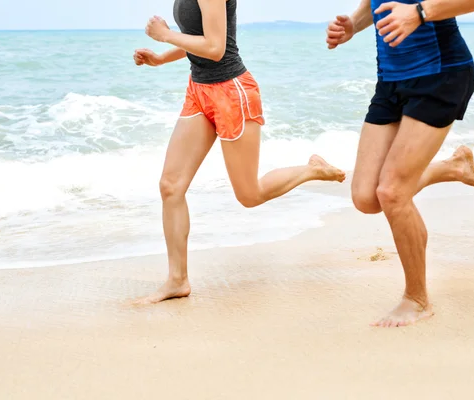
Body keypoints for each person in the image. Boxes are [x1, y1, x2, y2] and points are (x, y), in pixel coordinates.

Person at [128, 0, 346, 305]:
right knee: (171, 186)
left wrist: (165, 35)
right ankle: (177, 280)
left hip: (232, 92)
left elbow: (216, 47)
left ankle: (311, 170)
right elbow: (200, 38)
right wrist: (162, 59)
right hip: (199, 90)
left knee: (249, 195)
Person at [326, 0, 474, 327]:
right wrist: (354, 23)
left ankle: (418, 299)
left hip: (441, 73)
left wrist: (421, 12)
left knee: (392, 193)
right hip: (391, 80)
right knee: (366, 197)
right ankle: (453, 168)